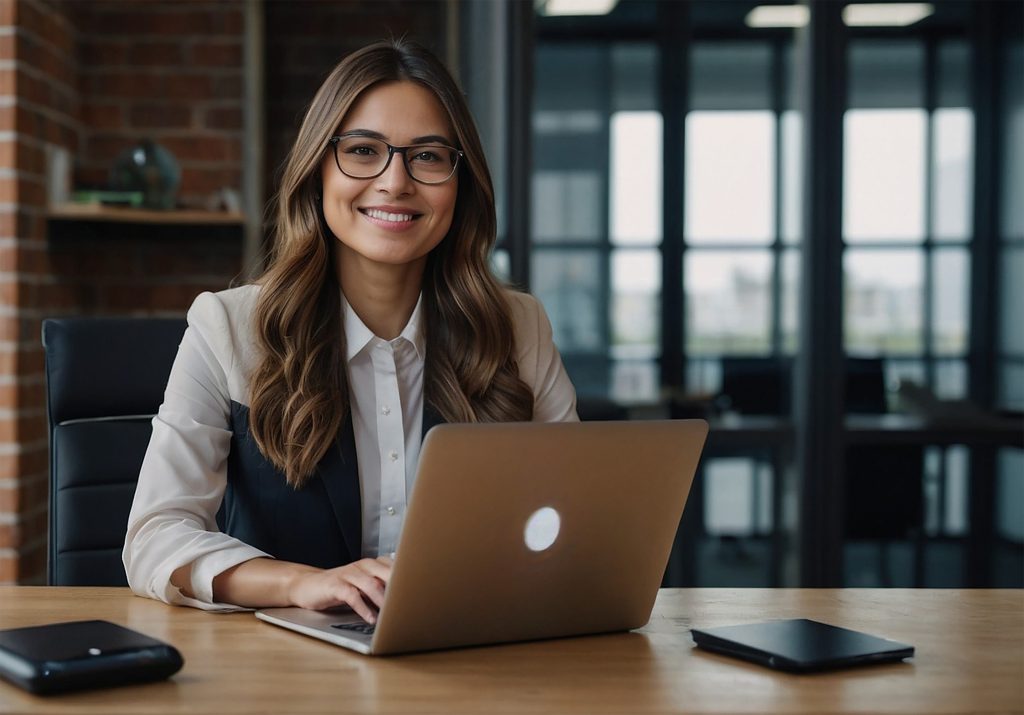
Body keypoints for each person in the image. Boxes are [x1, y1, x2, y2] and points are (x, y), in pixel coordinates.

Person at [122, 39, 578, 620]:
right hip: (281, 673)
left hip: (468, 656)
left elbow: (575, 518)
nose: (394, 182)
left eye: (430, 156)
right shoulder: (229, 326)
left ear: (461, 184)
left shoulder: (518, 327)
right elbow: (155, 537)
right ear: (318, 170)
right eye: (363, 151)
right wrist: (299, 584)